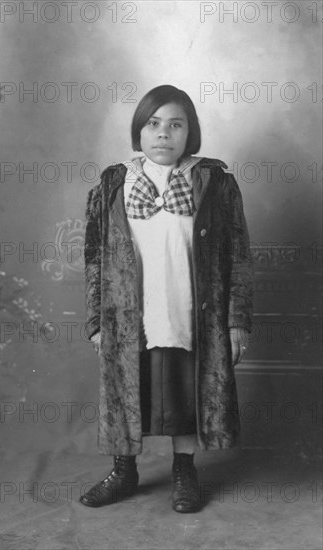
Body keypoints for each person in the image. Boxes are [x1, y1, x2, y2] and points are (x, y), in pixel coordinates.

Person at [80, 85, 253, 513]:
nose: (163, 134)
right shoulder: (114, 182)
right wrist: (97, 319)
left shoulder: (214, 182)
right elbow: (95, 256)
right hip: (129, 315)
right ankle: (124, 470)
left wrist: (236, 320)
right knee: (128, 392)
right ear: (138, 131)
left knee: (185, 392)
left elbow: (238, 254)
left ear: (190, 132)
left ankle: (184, 469)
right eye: (153, 124)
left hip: (191, 313)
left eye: (176, 124)